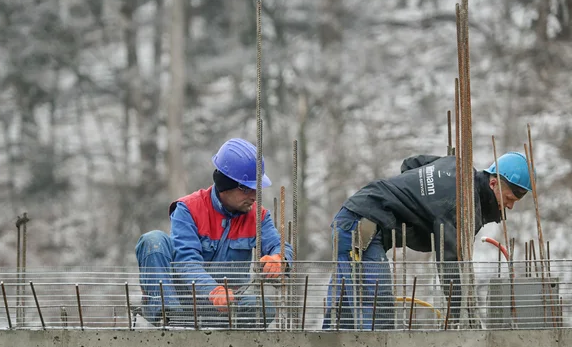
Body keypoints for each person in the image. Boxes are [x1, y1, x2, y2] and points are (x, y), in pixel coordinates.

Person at [323, 151, 533, 330]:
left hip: (352, 219)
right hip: (361, 231)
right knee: (379, 319)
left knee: (341, 320)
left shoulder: (455, 165)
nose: (510, 207)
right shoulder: (462, 203)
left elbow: (411, 164)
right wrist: (457, 315)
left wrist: (414, 198)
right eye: (509, 199)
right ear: (494, 183)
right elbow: (449, 259)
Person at [135, 138, 293, 328]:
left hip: (229, 306)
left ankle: (230, 339)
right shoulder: (188, 209)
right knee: (154, 240)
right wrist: (214, 291)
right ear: (225, 185)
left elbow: (279, 244)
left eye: (257, 188)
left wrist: (280, 259)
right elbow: (186, 262)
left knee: (263, 307)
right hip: (185, 305)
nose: (254, 196)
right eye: (247, 189)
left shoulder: (258, 216)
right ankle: (167, 318)